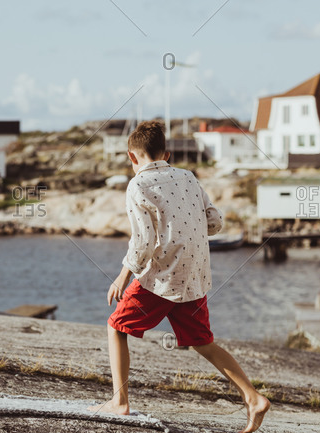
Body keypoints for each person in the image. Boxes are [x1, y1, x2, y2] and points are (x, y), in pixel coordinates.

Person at [88, 121, 270, 433]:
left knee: (116, 326)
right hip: (195, 275)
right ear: (167, 153)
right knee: (203, 342)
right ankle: (253, 397)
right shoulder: (187, 177)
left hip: (161, 277)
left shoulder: (138, 186)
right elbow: (215, 221)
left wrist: (122, 276)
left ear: (131, 157)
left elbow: (143, 242)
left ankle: (120, 402)